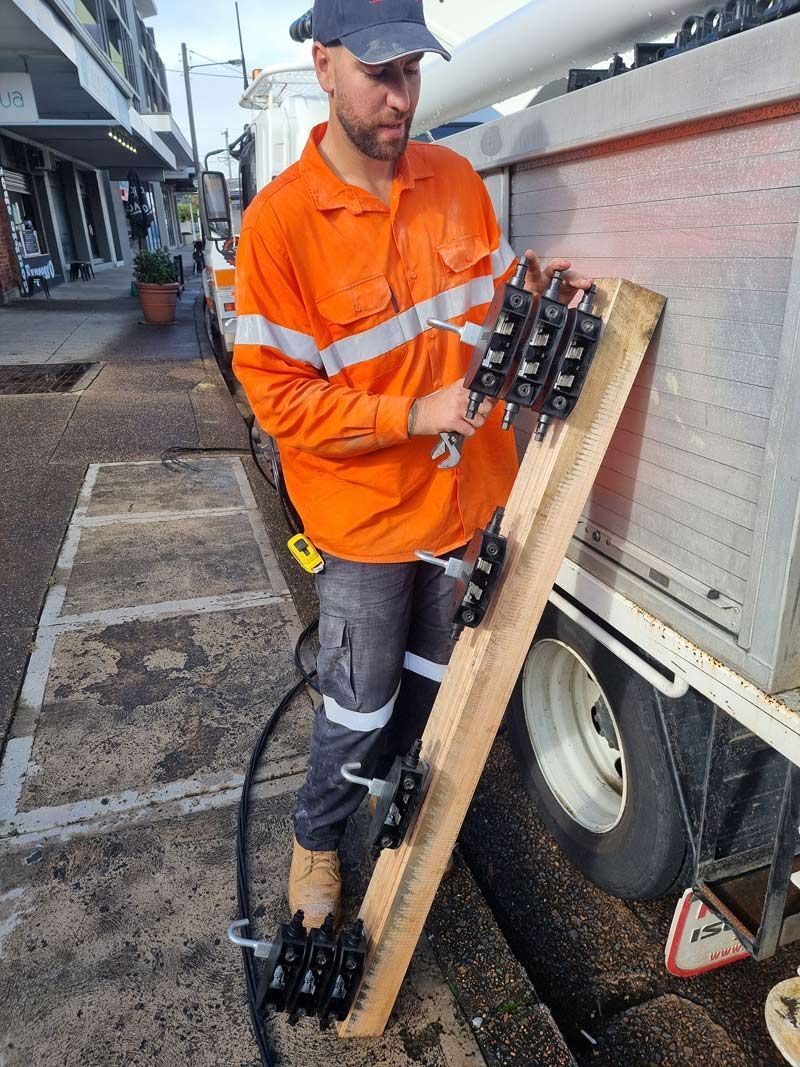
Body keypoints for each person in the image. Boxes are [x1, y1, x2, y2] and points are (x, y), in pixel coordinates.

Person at [233, 0, 591, 928]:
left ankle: (395, 815)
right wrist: (411, 411)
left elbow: (494, 297)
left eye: (413, 73)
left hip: (466, 506)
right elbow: (278, 399)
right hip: (365, 524)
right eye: (379, 74)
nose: (401, 99)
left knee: (433, 690)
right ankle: (317, 841)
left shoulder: (454, 181)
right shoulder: (279, 228)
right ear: (323, 66)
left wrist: (542, 300)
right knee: (357, 702)